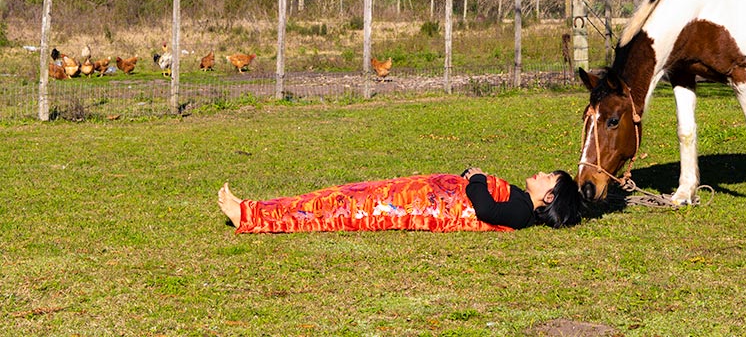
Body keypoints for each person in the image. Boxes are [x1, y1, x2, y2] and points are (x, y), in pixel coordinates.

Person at [218, 167, 582, 234]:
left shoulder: (521, 211)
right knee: (340, 197)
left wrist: (477, 179)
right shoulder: (519, 201)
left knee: (340, 208)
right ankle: (256, 210)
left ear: (549, 197)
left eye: (548, 177)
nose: (540, 174)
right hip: (417, 195)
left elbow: (483, 208)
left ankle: (250, 216)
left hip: (414, 205)